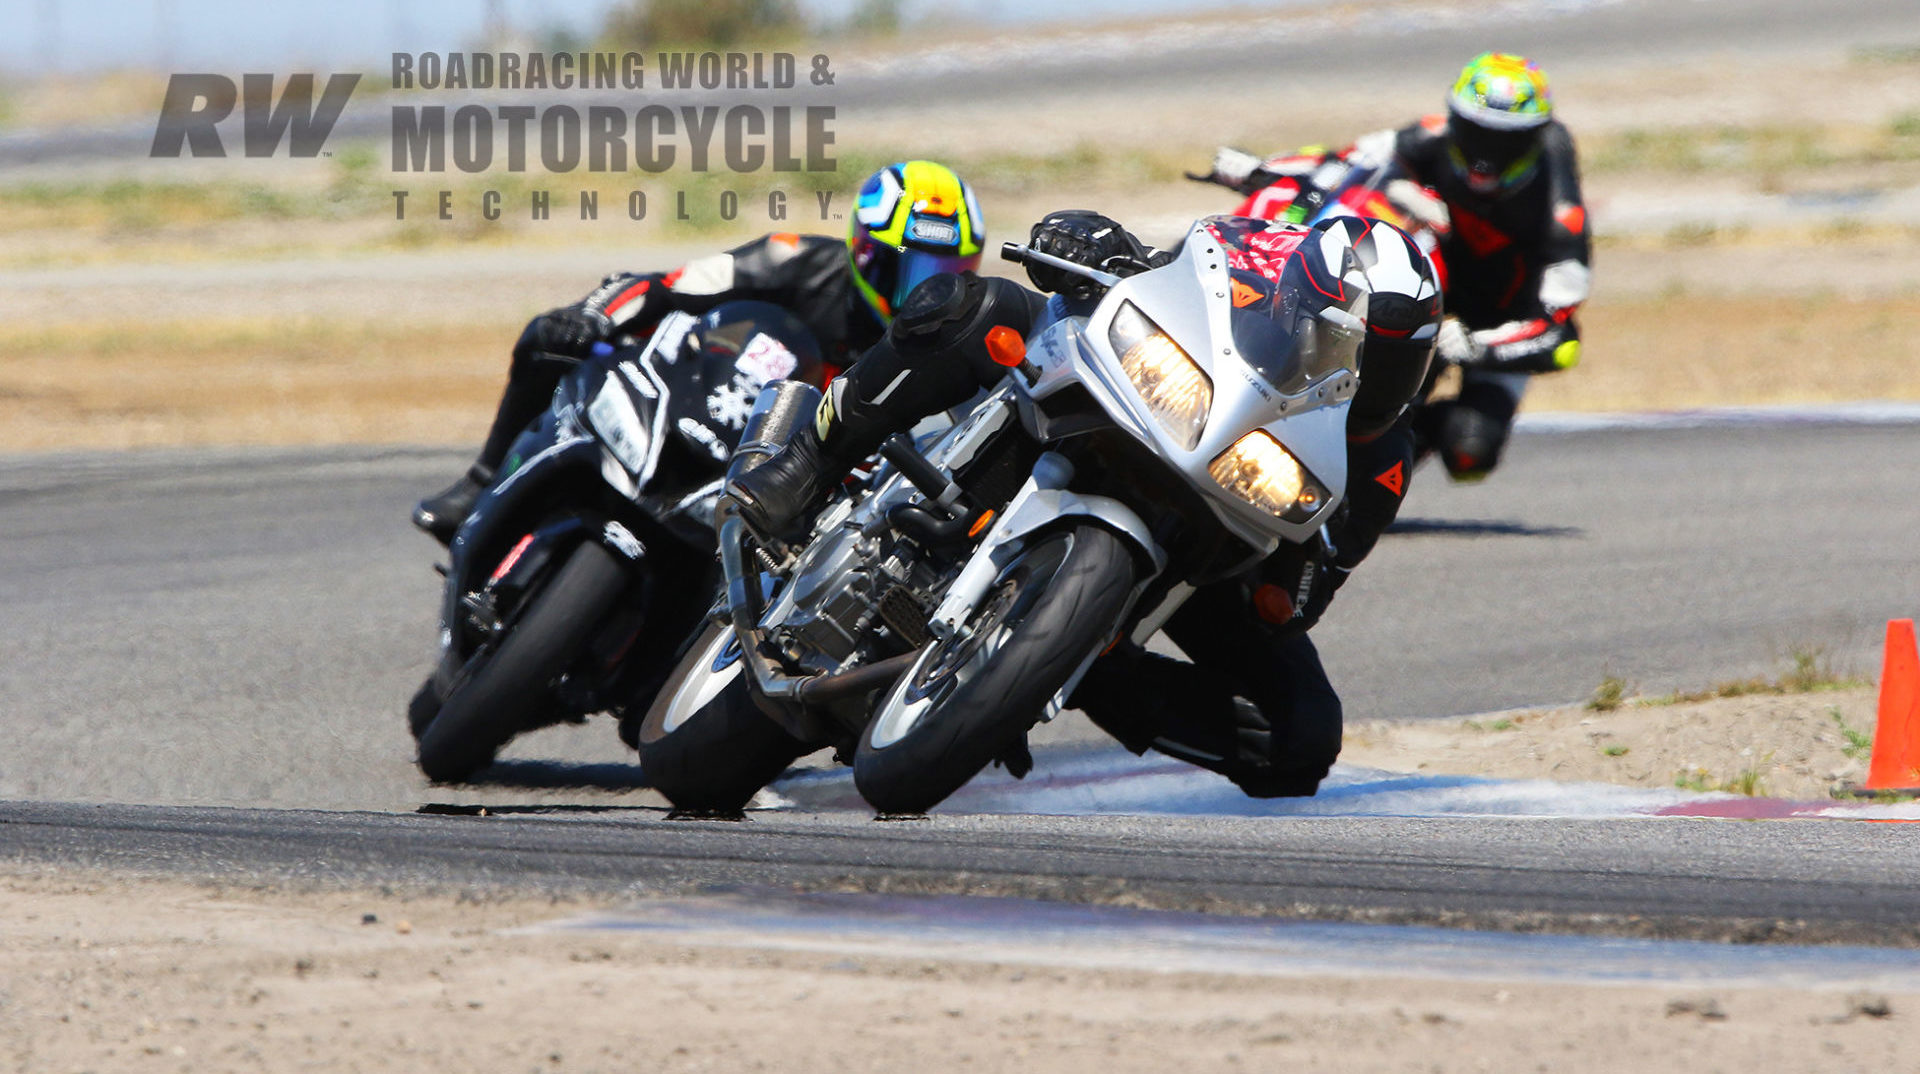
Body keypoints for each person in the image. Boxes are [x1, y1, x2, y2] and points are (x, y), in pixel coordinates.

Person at [726, 208, 1442, 797]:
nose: (1366, 377)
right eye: (1350, 349)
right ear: (1299, 304)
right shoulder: (1264, 259)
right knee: (972, 307)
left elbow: (1309, 592)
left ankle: (1073, 664)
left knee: (1303, 735)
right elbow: (1179, 268)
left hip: (1217, 519)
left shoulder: (1380, 460)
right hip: (1155, 397)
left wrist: (1290, 588)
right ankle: (808, 462)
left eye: (1391, 363)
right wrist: (1099, 244)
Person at [412, 160, 987, 542]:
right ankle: (481, 481)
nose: (926, 294)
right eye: (909, 270)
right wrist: (591, 314)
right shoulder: (793, 258)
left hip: (793, 475)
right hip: (707, 392)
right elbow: (668, 282)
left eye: (949, 274)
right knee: (549, 337)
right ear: (865, 251)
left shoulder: (940, 344)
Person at [1205, 52, 1590, 481]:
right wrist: (1265, 169)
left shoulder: (1561, 218)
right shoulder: (1430, 134)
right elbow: (1345, 161)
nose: (1487, 153)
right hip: (1432, 285)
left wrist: (1479, 346)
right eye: (1475, 132)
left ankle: (1385, 464)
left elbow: (1560, 337)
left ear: (1536, 137)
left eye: (1506, 140)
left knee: (1471, 454)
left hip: (1495, 322)